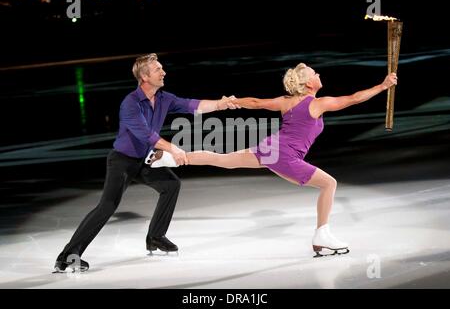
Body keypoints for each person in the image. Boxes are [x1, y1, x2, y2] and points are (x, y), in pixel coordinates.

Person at [150, 63, 398, 257]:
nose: (318, 74)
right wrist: (383, 85)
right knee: (329, 184)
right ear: (307, 83)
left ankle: (169, 158)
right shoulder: (317, 104)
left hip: (271, 149)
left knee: (223, 160)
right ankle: (322, 234)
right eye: (314, 73)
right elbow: (354, 98)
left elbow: (256, 103)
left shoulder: (286, 101)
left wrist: (232, 102)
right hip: (285, 155)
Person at [54, 53, 237, 272]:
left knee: (171, 185)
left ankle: (156, 237)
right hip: (122, 161)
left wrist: (220, 104)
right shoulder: (130, 103)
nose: (164, 72)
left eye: (162, 68)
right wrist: (172, 149)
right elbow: (146, 135)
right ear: (144, 76)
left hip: (144, 160)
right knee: (107, 206)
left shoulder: (163, 98)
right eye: (158, 69)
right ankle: (68, 256)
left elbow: (191, 105)